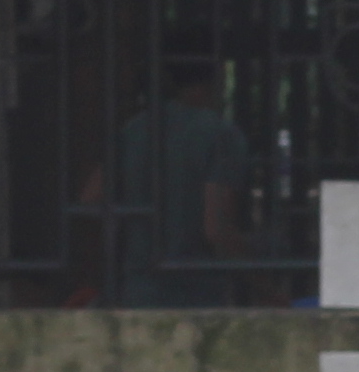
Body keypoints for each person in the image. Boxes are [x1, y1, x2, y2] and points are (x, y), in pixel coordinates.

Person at [98, 65, 251, 307]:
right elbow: (216, 229)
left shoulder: (133, 130)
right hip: (198, 294)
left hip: (136, 290)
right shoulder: (221, 134)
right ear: (215, 80)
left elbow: (90, 198)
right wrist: (262, 282)